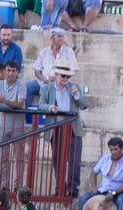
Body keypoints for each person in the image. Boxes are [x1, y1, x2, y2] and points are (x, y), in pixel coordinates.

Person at [37, 62, 87, 197]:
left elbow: (85, 105)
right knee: (58, 161)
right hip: (57, 128)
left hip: (73, 129)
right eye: (63, 76)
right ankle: (60, 190)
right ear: (56, 75)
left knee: (75, 161)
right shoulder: (47, 89)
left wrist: (77, 96)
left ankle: (72, 190)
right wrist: (50, 108)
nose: (66, 79)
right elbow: (40, 105)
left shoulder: (74, 87)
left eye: (68, 77)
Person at [78, 137, 123, 210]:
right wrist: (94, 187)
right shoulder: (105, 158)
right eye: (111, 149)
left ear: (121, 149)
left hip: (119, 191)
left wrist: (114, 192)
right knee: (83, 199)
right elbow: (93, 173)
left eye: (116, 149)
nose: (113, 152)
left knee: (122, 202)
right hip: (102, 190)